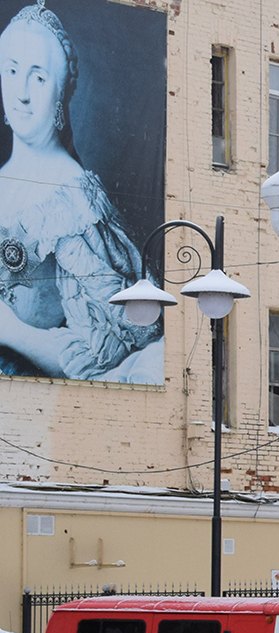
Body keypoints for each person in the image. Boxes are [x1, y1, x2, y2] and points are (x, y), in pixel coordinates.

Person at [0, 1, 160, 382]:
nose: (21, 93)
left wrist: (10, 331)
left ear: (61, 94)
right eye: (11, 71)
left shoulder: (71, 201)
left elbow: (98, 357)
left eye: (38, 78)